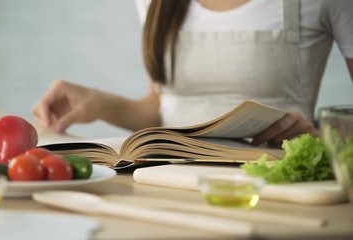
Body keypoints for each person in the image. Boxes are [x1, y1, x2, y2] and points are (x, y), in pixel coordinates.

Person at [33, 0, 353, 146]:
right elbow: (166, 108)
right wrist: (99, 103)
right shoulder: (154, 3)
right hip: (171, 184)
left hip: (275, 190)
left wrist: (321, 141)